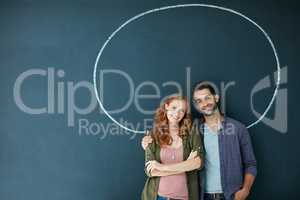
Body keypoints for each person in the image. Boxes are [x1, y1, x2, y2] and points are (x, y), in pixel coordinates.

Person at [142, 82, 257, 200]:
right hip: (203, 195)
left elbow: (250, 164)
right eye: (199, 101)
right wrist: (145, 141)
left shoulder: (238, 128)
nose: (204, 103)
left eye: (207, 98)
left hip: (232, 195)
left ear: (216, 98)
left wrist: (245, 190)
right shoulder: (195, 129)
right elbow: (151, 168)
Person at [141, 95, 204, 200]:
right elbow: (150, 171)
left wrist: (162, 167)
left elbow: (198, 163)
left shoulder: (191, 132)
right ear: (166, 107)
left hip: (184, 197)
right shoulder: (153, 135)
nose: (177, 114)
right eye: (174, 108)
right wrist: (186, 165)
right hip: (157, 197)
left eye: (182, 111)